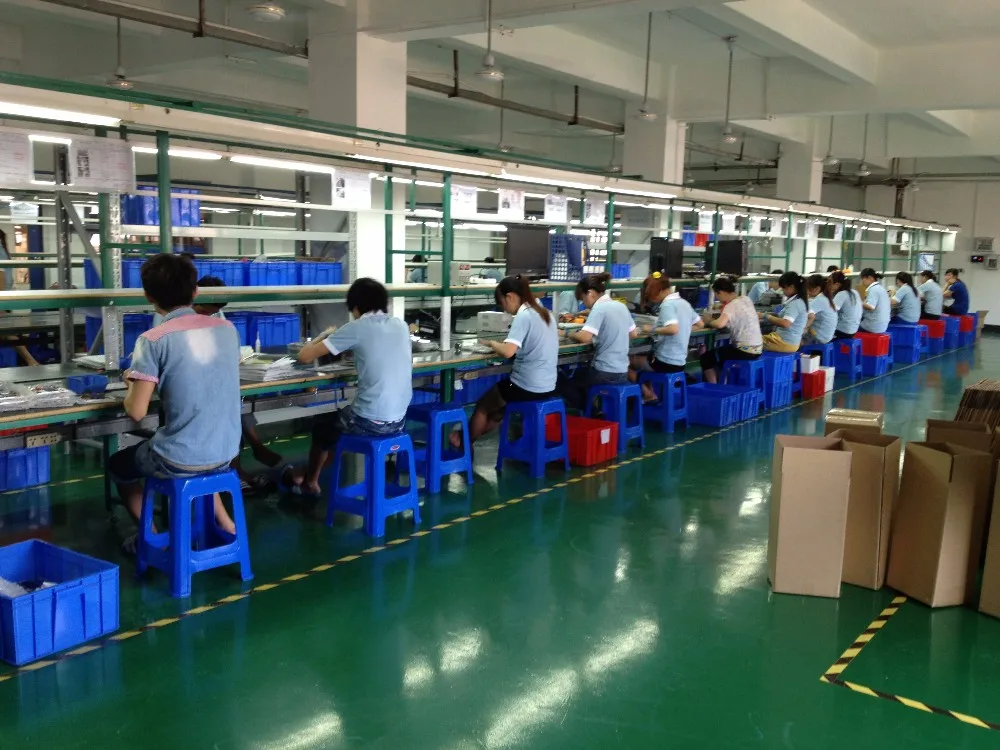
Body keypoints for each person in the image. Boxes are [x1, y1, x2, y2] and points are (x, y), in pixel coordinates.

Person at [108, 254, 242, 552]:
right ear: (195, 291)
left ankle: (151, 538)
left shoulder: (153, 339)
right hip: (226, 451)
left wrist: (132, 384)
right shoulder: (227, 330)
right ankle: (227, 524)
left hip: (180, 458)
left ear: (148, 296)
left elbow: (136, 411)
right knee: (198, 454)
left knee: (118, 465)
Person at [292, 278, 412, 497]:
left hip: (370, 422)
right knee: (337, 427)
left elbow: (305, 356)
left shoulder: (357, 327)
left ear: (356, 307)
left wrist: (320, 338)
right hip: (400, 420)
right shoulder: (400, 325)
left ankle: (310, 482)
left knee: (322, 429)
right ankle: (308, 474)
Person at [453, 275, 558, 448]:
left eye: (503, 304)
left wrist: (491, 343)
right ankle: (462, 438)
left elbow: (508, 352)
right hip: (548, 386)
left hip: (526, 386)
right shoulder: (545, 313)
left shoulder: (524, 316)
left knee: (483, 407)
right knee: (498, 411)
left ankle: (463, 443)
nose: (506, 311)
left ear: (510, 296)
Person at [560, 273, 636, 410]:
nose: (584, 303)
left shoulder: (599, 308)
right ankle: (594, 410)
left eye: (583, 299)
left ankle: (591, 412)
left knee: (565, 381)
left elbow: (585, 337)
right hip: (622, 370)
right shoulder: (620, 306)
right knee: (582, 376)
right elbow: (633, 333)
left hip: (604, 372)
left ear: (590, 293)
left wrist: (566, 333)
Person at [631, 273, 703, 401]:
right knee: (646, 359)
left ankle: (648, 394)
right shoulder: (683, 303)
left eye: (650, 295)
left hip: (665, 362)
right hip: (680, 362)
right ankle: (651, 393)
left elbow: (673, 329)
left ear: (658, 291)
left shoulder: (667, 305)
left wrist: (651, 329)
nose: (650, 299)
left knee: (628, 362)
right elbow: (700, 324)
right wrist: (683, 329)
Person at [699, 276, 762, 384]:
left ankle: (713, 387)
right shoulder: (746, 299)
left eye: (717, 295)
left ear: (720, 292)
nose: (717, 298)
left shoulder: (731, 306)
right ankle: (723, 383)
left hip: (744, 351)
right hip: (757, 349)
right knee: (721, 356)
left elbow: (719, 324)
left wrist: (707, 321)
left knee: (706, 358)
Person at [759, 272, 808, 352]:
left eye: (783, 288)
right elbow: (782, 316)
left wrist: (765, 316)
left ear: (791, 287)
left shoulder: (795, 304)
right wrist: (764, 314)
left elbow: (785, 323)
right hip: (788, 341)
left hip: (785, 342)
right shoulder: (798, 301)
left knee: (750, 342)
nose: (782, 290)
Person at [804, 273, 837, 344]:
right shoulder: (825, 298)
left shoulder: (819, 300)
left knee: (790, 339)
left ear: (817, 288)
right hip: (826, 336)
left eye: (808, 288)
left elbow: (804, 315)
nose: (806, 291)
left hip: (819, 338)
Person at [829, 271, 863, 339]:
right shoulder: (855, 292)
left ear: (837, 284)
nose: (828, 286)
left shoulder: (841, 294)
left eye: (830, 284)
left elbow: (831, 312)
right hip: (854, 329)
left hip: (843, 331)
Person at [859, 268, 891, 333]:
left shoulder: (873, 289)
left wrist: (858, 302)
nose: (862, 282)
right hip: (883, 326)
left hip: (873, 326)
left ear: (870, 278)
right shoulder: (881, 288)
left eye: (863, 279)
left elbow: (871, 307)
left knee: (849, 327)